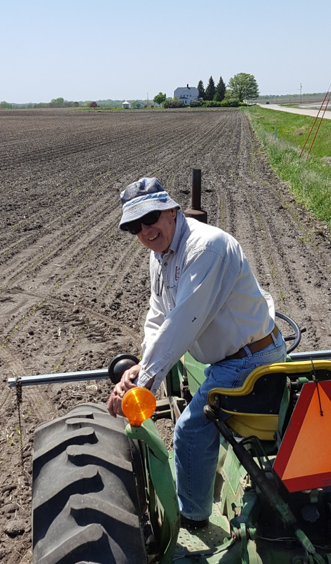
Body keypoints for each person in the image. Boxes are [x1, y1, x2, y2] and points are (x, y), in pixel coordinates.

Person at [107, 177, 286, 526]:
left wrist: (144, 383)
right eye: (134, 226)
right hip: (227, 360)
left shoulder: (206, 247)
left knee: (189, 430)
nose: (145, 231)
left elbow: (183, 322)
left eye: (151, 218)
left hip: (249, 360)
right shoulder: (160, 256)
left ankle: (193, 516)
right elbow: (159, 316)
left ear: (172, 212)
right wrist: (142, 364)